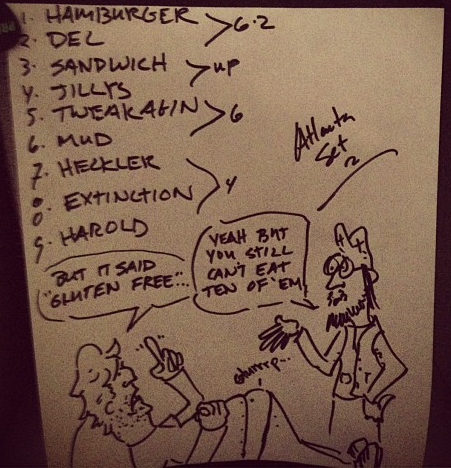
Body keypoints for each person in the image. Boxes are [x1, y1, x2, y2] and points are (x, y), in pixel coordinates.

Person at [70, 334, 382, 467]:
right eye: (125, 384)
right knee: (277, 429)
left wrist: (176, 376)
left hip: (242, 426)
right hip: (237, 446)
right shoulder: (144, 454)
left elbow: (192, 404)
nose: (135, 384)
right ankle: (343, 462)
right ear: (108, 405)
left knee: (269, 413)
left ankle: (342, 458)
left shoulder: (153, 431)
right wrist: (213, 429)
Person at [259, 223, 407, 460]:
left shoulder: (373, 335)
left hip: (361, 409)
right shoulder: (345, 333)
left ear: (365, 282)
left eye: (343, 279)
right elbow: (325, 364)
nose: (333, 285)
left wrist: (370, 396)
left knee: (364, 455)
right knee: (339, 453)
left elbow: (395, 367)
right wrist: (299, 333)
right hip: (341, 404)